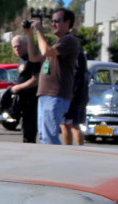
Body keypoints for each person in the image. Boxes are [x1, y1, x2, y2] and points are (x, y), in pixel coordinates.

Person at [26, 9, 80, 145]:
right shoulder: (57, 43)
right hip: (45, 95)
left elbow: (46, 51)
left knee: (50, 138)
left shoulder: (69, 40)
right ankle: (49, 164)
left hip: (56, 95)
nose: (53, 24)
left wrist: (39, 31)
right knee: (44, 137)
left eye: (57, 21)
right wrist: (30, 35)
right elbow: (33, 57)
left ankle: (59, 164)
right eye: (52, 21)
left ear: (67, 22)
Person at [7, 34, 41, 143]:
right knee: (25, 132)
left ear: (26, 45)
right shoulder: (21, 60)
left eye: (18, 46)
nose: (16, 49)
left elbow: (36, 79)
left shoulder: (32, 59)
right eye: (14, 47)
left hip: (32, 101)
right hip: (23, 102)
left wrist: (19, 87)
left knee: (30, 132)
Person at [62, 47, 89, 145]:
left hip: (74, 95)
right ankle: (78, 148)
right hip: (80, 94)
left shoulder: (75, 52)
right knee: (72, 124)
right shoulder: (80, 52)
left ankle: (72, 149)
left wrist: (70, 94)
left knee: (67, 124)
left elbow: (76, 75)